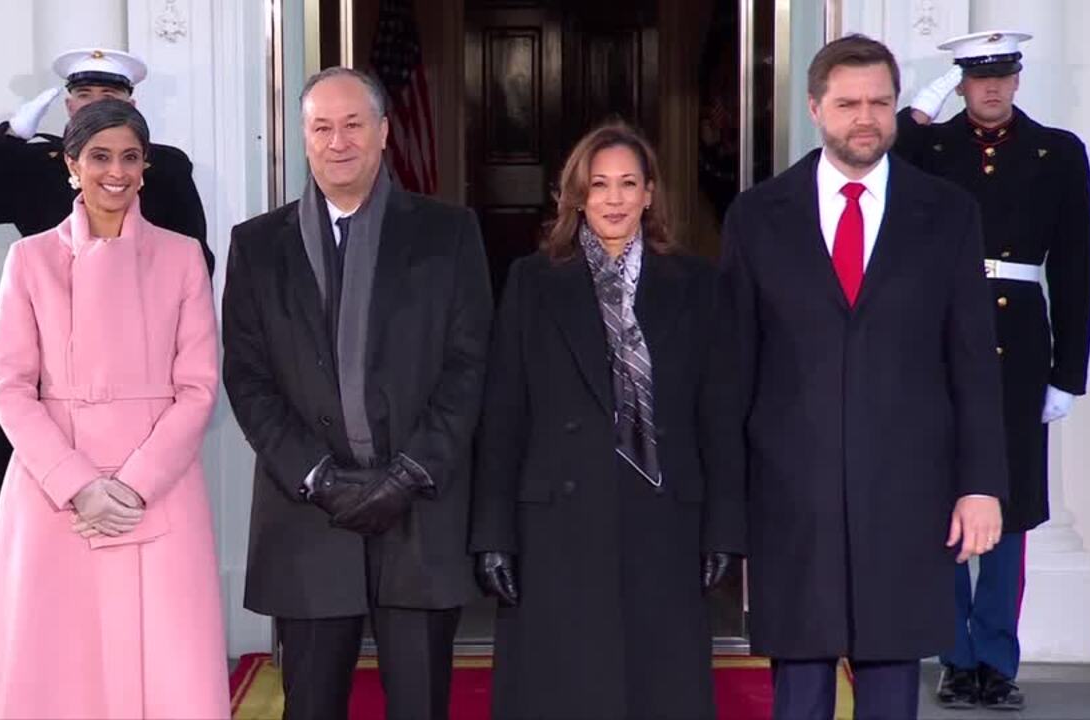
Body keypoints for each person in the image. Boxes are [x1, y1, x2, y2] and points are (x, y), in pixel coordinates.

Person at [717, 35, 1009, 720]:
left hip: (907, 494)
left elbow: (971, 361)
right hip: (793, 498)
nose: (866, 118)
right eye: (848, 103)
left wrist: (982, 485)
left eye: (880, 101)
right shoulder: (757, 217)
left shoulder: (947, 214)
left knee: (889, 675)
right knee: (802, 681)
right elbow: (731, 374)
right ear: (816, 108)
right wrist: (728, 513)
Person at [222, 67, 492, 720]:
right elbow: (247, 377)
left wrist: (410, 473)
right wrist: (315, 475)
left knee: (421, 704)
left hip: (418, 511)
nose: (338, 141)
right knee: (311, 705)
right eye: (322, 127)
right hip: (308, 513)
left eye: (353, 124)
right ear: (304, 139)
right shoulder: (256, 246)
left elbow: (470, 364)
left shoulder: (448, 234)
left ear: (384, 133)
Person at [469, 122, 740, 720]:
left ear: (649, 194)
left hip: (662, 516)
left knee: (658, 686)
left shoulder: (697, 284)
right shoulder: (532, 281)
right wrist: (492, 534)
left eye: (627, 184)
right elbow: (504, 413)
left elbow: (718, 413)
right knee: (562, 689)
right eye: (599, 185)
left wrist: (725, 528)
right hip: (556, 525)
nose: (614, 199)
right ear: (577, 196)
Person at [0, 99, 227, 718]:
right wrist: (80, 485)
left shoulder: (182, 255)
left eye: (131, 157)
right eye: (100, 156)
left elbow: (197, 385)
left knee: (167, 662)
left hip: (158, 491)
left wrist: (134, 486)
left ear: (145, 168)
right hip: (54, 492)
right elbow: (9, 386)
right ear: (72, 166)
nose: (118, 171)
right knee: (58, 667)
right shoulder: (29, 259)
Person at [895, 30, 1090, 711]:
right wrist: (917, 112)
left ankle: (997, 662)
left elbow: (1075, 263)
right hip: (940, 335)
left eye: (1002, 74)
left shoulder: (1057, 152)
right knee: (948, 498)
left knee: (1009, 510)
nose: (991, 87)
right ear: (959, 81)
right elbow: (876, 162)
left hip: (1017, 341)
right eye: (976, 76)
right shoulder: (933, 148)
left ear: (1017, 78)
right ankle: (954, 656)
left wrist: (1069, 370)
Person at [0, 47, 212, 515]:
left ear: (132, 104)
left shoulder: (162, 168)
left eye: (110, 93)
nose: (95, 104)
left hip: (137, 393)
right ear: (68, 107)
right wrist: (12, 133)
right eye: (83, 94)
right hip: (51, 391)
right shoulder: (35, 164)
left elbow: (195, 267)